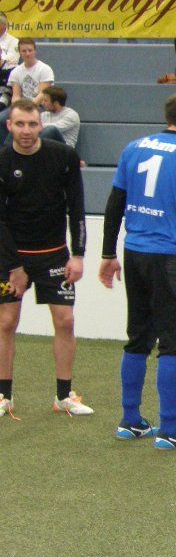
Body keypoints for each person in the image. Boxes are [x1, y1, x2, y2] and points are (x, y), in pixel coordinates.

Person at [99, 91, 176, 449]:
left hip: (134, 251)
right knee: (172, 343)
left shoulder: (133, 147)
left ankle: (130, 420)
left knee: (137, 336)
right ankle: (168, 429)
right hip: (171, 256)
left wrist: (107, 253)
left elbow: (115, 203)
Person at [0, 101, 89, 419]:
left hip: (54, 254)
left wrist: (78, 254)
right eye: (20, 124)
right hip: (11, 257)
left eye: (32, 124)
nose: (26, 131)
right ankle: (3, 396)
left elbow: (77, 206)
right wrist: (14, 267)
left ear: (42, 125)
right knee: (6, 322)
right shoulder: (2, 161)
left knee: (65, 321)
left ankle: (64, 396)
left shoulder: (63, 156)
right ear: (9, 125)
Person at [0, 39, 54, 141]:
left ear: (35, 51)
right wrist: (17, 108)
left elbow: (42, 93)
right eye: (24, 51)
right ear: (20, 53)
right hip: (21, 105)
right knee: (1, 119)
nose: (27, 53)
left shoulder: (45, 69)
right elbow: (16, 95)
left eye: (30, 50)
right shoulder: (16, 71)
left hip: (40, 106)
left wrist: (27, 108)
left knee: (26, 120)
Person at [0, 14, 18, 102]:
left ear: (3, 26)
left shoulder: (13, 41)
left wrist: (2, 61)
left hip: (5, 80)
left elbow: (11, 62)